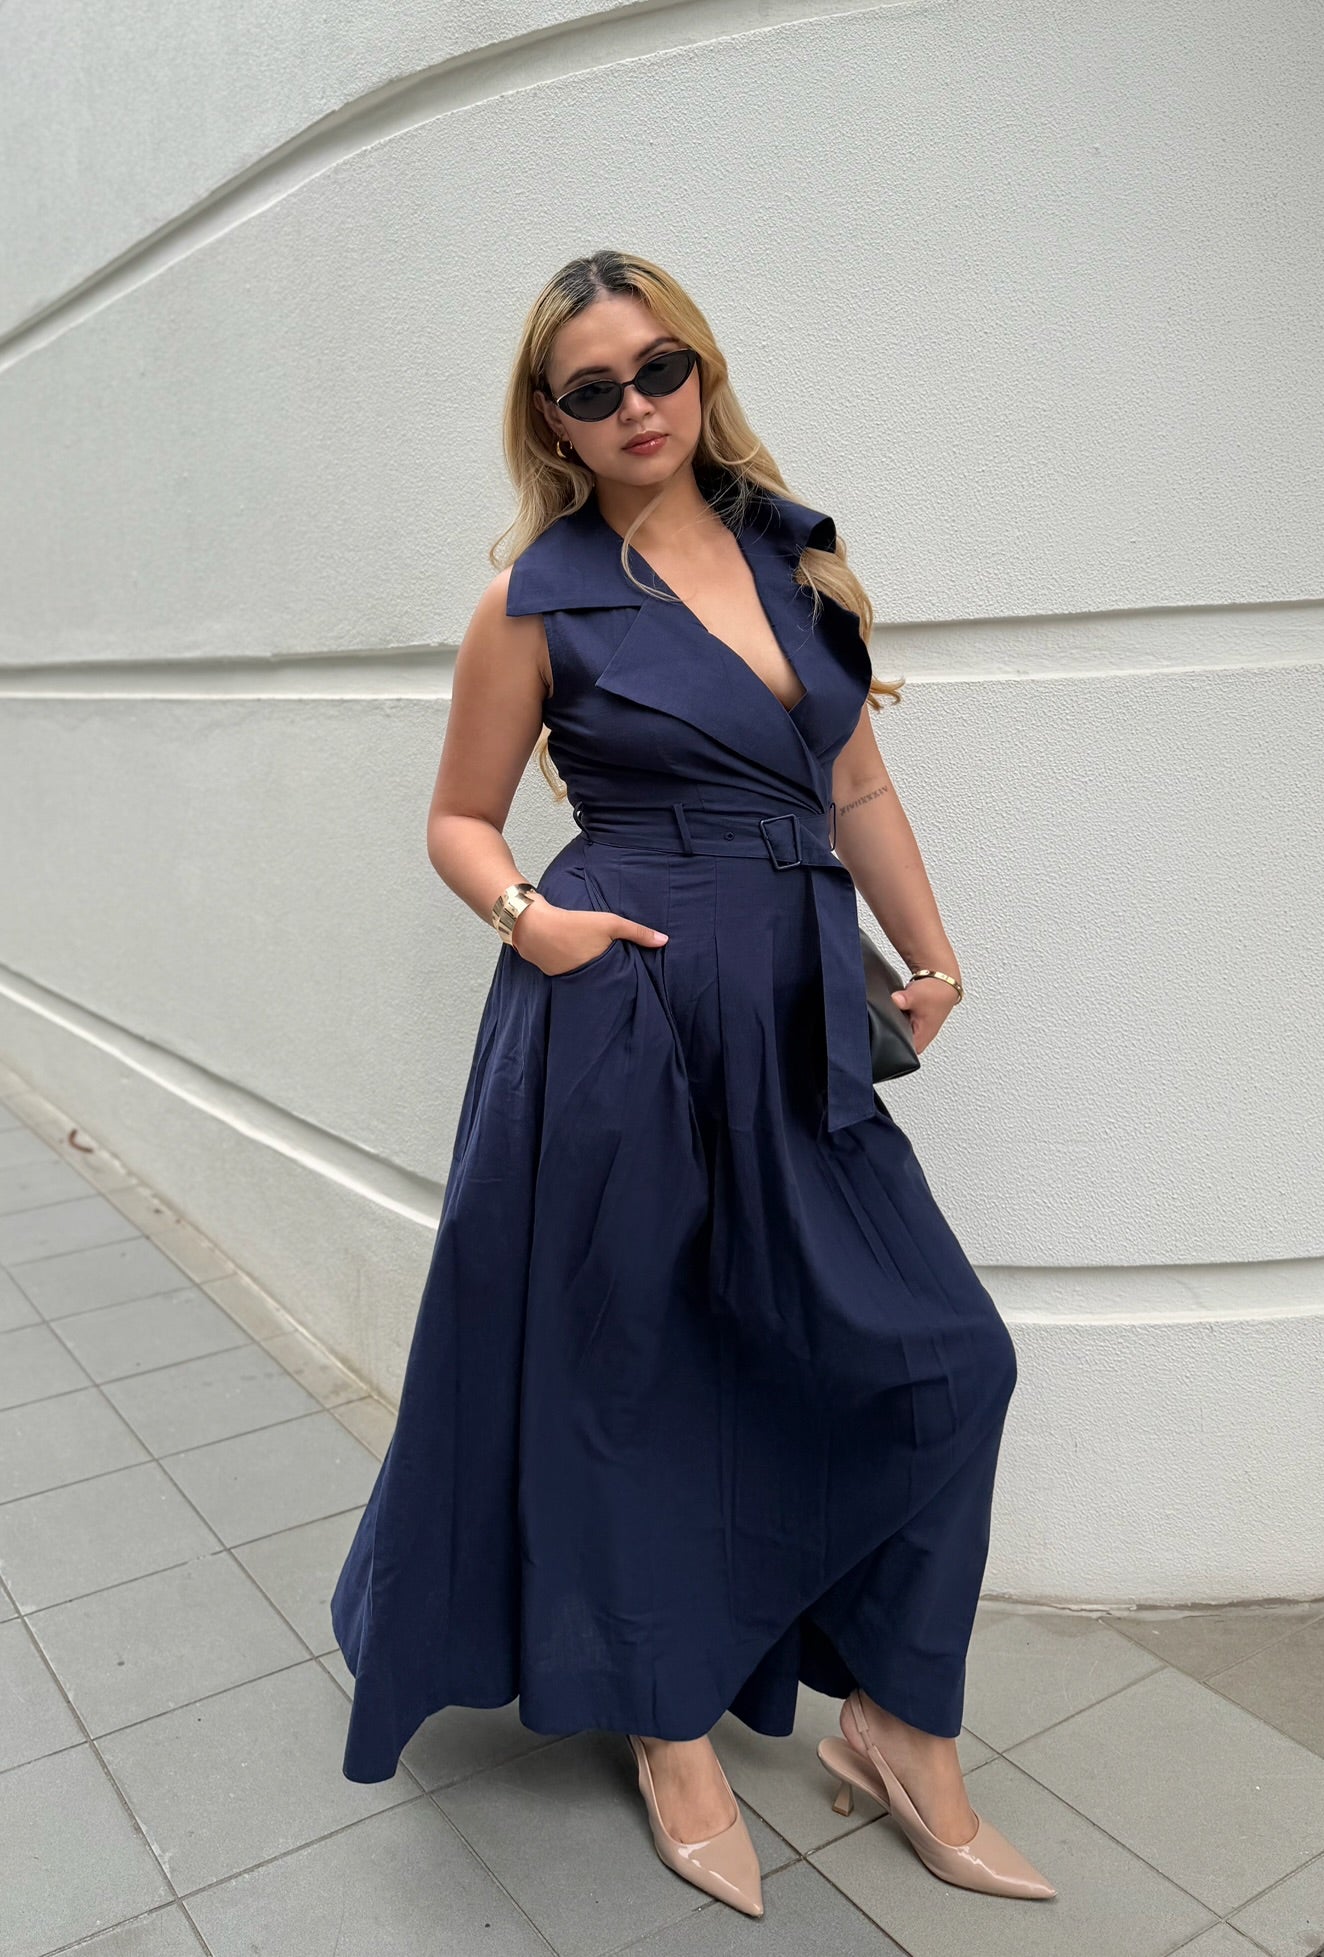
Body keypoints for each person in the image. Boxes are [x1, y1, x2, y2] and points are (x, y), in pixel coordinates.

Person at [330, 248, 1056, 1917]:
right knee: (636, 1369)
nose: (638, 405)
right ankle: (669, 1729)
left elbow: (855, 781)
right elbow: (458, 817)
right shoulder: (537, 601)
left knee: (951, 1357)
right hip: (626, 1017)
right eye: (594, 389)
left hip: (796, 1016)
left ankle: (900, 1725)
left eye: (660, 368)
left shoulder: (797, 563)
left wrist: (934, 953)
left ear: (702, 370)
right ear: (553, 422)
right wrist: (533, 920)